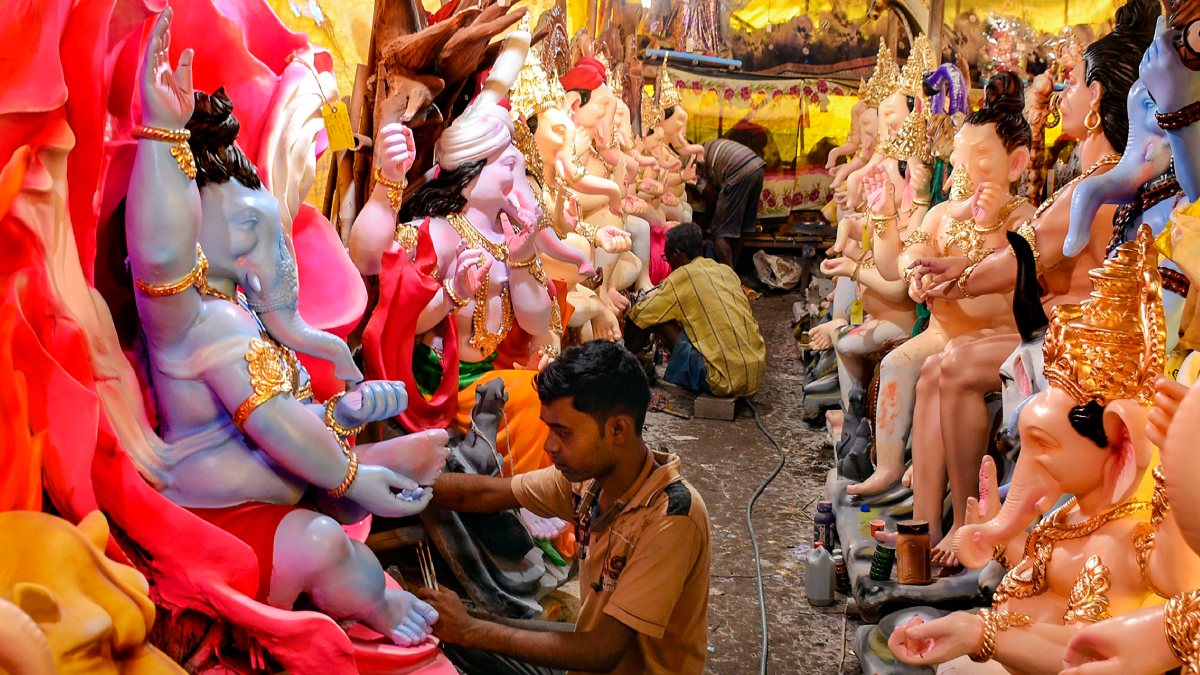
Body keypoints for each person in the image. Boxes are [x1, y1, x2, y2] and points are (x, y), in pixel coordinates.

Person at [418, 341, 712, 675]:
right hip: (590, 654)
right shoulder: (589, 483)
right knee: (456, 630)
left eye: (563, 432)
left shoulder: (671, 516)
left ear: (617, 429)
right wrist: (398, 483)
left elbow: (602, 652)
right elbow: (483, 493)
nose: (549, 445)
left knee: (469, 634)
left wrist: (470, 630)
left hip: (608, 660)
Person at [625, 223, 766, 398]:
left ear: (677, 255)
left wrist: (625, 344)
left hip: (723, 381)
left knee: (655, 317)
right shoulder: (725, 271)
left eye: (666, 257)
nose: (668, 262)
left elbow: (640, 315)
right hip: (755, 372)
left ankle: (623, 366)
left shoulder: (682, 276)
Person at [695, 137, 766, 269]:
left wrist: (703, 224)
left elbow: (711, 195)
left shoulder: (689, 166)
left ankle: (729, 276)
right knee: (737, 230)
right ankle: (733, 274)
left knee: (720, 231)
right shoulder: (702, 148)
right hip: (757, 168)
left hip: (739, 171)